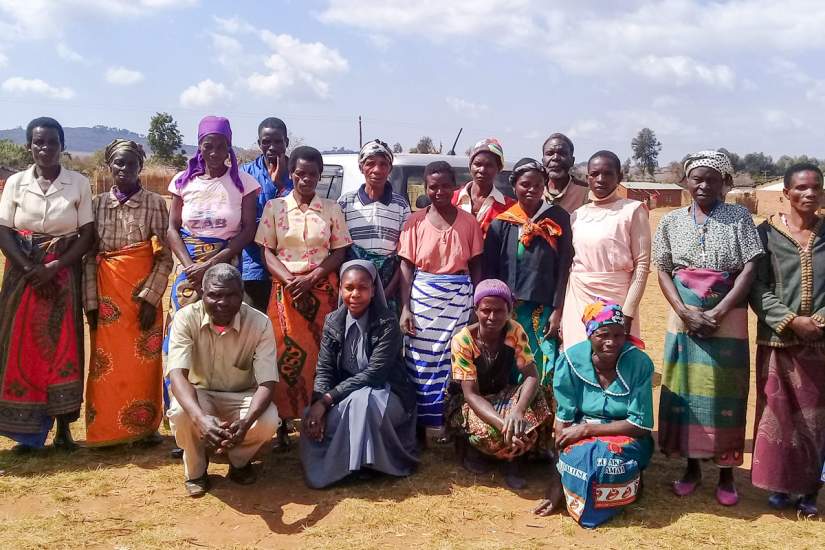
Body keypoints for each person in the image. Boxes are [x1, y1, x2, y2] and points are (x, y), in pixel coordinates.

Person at [654, 150, 763, 506]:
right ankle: (691, 467)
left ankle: (727, 473)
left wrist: (718, 310)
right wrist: (684, 310)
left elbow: (748, 269)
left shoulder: (739, 217)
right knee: (687, 388)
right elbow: (664, 270)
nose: (703, 185)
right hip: (683, 314)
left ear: (725, 183)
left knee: (725, 391)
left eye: (711, 179)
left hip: (727, 313)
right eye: (696, 178)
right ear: (685, 181)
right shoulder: (670, 221)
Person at [164, 115, 260, 456]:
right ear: (199, 147)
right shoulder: (182, 181)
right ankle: (185, 423)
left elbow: (247, 230)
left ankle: (221, 416)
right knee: (184, 338)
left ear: (229, 147)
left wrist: (212, 263)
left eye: (221, 146)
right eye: (208, 146)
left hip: (225, 266)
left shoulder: (244, 184)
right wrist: (191, 266)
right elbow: (172, 228)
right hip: (187, 272)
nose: (214, 152)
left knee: (220, 337)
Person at [0, 117, 95, 451]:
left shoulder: (78, 183)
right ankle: (26, 434)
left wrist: (53, 267)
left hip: (63, 274)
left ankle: (63, 429)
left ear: (62, 146)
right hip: (21, 274)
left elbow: (86, 235)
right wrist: (29, 268)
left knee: (63, 348)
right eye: (38, 143)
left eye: (52, 142)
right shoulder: (15, 183)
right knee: (20, 347)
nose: (45, 149)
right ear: (29, 146)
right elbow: (4, 231)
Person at [255, 145, 352, 448]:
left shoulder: (332, 209)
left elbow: (340, 250)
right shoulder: (275, 207)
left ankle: (318, 417)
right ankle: (283, 421)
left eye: (312, 174)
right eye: (300, 173)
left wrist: (312, 277)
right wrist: (289, 279)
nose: (306, 179)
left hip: (322, 292)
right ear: (291, 173)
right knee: (285, 357)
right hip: (286, 295)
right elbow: (266, 251)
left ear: (320, 175)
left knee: (322, 358)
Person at [533, 300, 654, 528]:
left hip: (625, 434)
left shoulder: (639, 363)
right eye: (603, 335)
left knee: (609, 458)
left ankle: (630, 481)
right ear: (590, 334)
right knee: (582, 457)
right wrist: (556, 484)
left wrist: (588, 429)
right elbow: (564, 422)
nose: (611, 342)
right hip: (580, 433)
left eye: (619, 335)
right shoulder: (571, 361)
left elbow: (640, 425)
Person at [83, 139, 172, 447]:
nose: (124, 169)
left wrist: (150, 298)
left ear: (140, 168)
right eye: (118, 163)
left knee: (143, 364)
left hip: (141, 299)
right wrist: (91, 303)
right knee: (105, 365)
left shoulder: (155, 204)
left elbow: (164, 257)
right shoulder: (96, 204)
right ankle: (107, 431)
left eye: (130, 163)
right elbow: (89, 255)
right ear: (110, 166)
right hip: (107, 298)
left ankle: (145, 429)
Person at [300, 260, 418, 488]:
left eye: (362, 288)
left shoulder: (387, 322)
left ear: (373, 290)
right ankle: (346, 463)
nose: (355, 294)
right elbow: (324, 369)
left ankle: (366, 465)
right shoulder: (333, 321)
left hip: (389, 394)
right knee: (311, 415)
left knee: (363, 401)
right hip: (345, 395)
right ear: (340, 288)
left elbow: (374, 374)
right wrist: (318, 403)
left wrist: (327, 399)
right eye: (349, 288)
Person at [750, 163, 825, 516]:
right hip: (778, 340)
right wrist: (791, 320)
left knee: (816, 421)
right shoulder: (765, 235)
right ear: (786, 192)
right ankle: (780, 484)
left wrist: (818, 322)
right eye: (801, 188)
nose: (809, 194)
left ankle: (810, 490)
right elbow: (757, 286)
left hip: (821, 344)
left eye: (816, 188)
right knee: (779, 414)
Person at [166, 264, 280, 497]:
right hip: (200, 394)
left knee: (269, 420)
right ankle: (196, 471)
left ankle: (239, 462)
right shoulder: (185, 318)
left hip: (241, 396)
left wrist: (247, 421)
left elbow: (268, 382)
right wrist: (200, 418)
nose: (222, 302)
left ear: (242, 293)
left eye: (230, 295)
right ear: (202, 292)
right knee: (180, 413)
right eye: (214, 295)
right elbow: (177, 374)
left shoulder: (260, 323)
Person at [399, 161, 483, 435]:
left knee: (453, 359)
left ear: (455, 187)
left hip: (458, 299)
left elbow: (477, 266)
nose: (439, 191)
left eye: (445, 185)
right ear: (424, 187)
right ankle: (422, 424)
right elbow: (406, 267)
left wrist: (475, 305)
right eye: (433, 186)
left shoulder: (469, 222)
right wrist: (405, 308)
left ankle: (448, 423)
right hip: (423, 299)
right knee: (419, 362)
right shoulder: (415, 222)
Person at [447, 279, 550, 489]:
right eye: (486, 310)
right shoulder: (463, 340)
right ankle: (475, 451)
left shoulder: (514, 331)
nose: (492, 317)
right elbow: (471, 395)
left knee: (540, 396)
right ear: (476, 310)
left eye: (499, 311)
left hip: (502, 395)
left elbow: (531, 375)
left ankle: (513, 461)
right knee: (491, 432)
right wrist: (505, 426)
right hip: (468, 403)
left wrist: (518, 412)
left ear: (509, 310)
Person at [483, 158, 573, 392]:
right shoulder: (501, 223)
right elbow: (490, 271)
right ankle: (513, 416)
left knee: (540, 364)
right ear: (514, 186)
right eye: (525, 184)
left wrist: (557, 311)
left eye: (538, 185)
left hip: (543, 311)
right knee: (511, 363)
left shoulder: (558, 218)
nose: (531, 190)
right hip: (508, 310)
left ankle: (540, 419)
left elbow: (564, 268)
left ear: (545, 186)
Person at [561, 150, 650, 348]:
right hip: (578, 298)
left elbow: (642, 265)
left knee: (612, 360)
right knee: (578, 356)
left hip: (617, 301)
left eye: (608, 173)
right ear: (588, 178)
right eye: (595, 174)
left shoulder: (633, 211)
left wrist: (627, 312)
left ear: (620, 176)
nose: (601, 179)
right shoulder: (577, 215)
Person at [337, 139, 411, 314]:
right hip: (352, 289)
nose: (377, 170)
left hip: (388, 287)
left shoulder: (401, 206)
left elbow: (403, 256)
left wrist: (385, 293)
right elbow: (339, 251)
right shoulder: (345, 202)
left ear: (390, 169)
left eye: (383, 164)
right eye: (370, 163)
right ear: (361, 167)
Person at [240, 117, 293, 313]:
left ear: (286, 142)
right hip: (254, 266)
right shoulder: (245, 174)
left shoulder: (298, 173)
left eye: (278, 141)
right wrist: (273, 188)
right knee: (255, 325)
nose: (272, 147)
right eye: (266, 142)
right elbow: (243, 221)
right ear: (259, 143)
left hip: (291, 265)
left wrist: (282, 184)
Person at [453, 138, 515, 237]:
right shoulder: (451, 199)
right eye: (477, 164)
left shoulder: (510, 208)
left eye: (489, 165)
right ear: (470, 166)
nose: (482, 170)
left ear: (498, 168)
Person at [541, 133, 589, 213]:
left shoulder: (586, 193)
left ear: (572, 161)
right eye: (549, 154)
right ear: (543, 160)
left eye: (562, 153)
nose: (556, 158)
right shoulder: (533, 191)